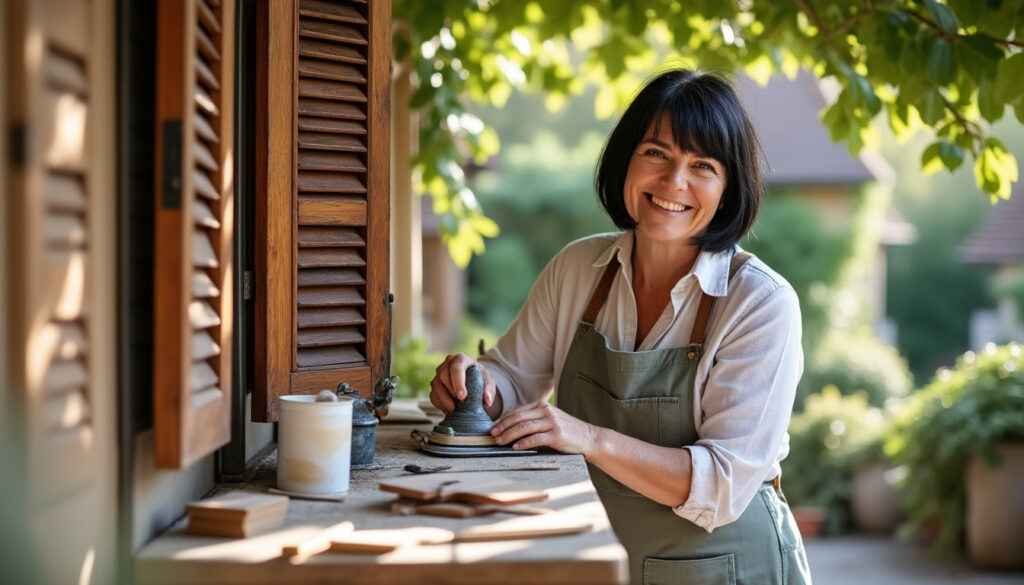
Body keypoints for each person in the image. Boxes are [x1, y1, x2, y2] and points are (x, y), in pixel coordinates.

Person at [430, 68, 811, 585]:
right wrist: (476, 385)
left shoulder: (760, 303)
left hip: (727, 566)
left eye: (702, 165)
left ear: (729, 188)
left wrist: (589, 438)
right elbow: (515, 381)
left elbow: (722, 486)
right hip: (602, 562)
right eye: (656, 153)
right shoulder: (576, 268)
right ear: (626, 159)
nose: (673, 182)